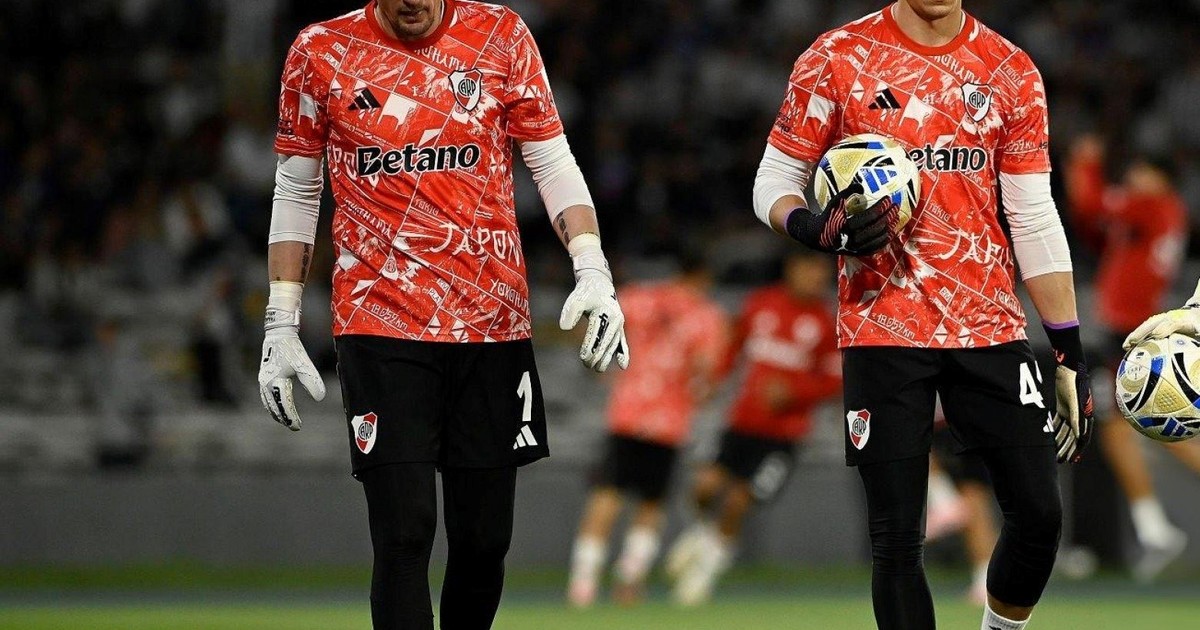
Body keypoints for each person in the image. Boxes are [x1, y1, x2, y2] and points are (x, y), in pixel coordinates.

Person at [256, 2, 629, 628]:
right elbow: (296, 187)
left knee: (484, 543)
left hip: (492, 319)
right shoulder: (320, 50)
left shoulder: (501, 34)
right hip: (379, 322)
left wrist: (593, 268)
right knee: (404, 533)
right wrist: (281, 319)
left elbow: (551, 160)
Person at [753, 1, 1095, 629]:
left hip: (988, 324)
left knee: (1039, 515)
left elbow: (1033, 215)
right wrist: (810, 226)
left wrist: (1068, 349)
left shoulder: (1009, 68)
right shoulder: (836, 57)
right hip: (880, 325)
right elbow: (773, 178)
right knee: (896, 539)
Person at [665, 249, 840, 606]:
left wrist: (794, 392)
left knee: (738, 501)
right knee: (703, 488)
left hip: (784, 436)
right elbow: (734, 347)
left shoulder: (826, 322)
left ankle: (705, 571)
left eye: (822, 272)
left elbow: (835, 380)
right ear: (792, 268)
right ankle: (702, 537)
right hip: (742, 423)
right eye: (811, 269)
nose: (817, 278)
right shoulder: (761, 304)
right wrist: (714, 380)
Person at [1065, 135, 1198, 580]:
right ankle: (1152, 527)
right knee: (1133, 426)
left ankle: (1152, 527)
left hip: (1131, 331)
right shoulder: (1166, 210)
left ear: (1159, 177)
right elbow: (1097, 231)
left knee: (1129, 426)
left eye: (1142, 171)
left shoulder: (1150, 204)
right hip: (1140, 327)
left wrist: (1084, 162)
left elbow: (1089, 204)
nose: (1134, 178)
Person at [567, 253, 727, 608]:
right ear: (702, 277)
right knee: (651, 503)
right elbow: (708, 373)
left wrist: (603, 367)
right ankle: (629, 580)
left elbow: (589, 326)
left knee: (606, 495)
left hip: (627, 412)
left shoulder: (638, 297)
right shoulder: (706, 315)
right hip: (669, 421)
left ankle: (583, 583)